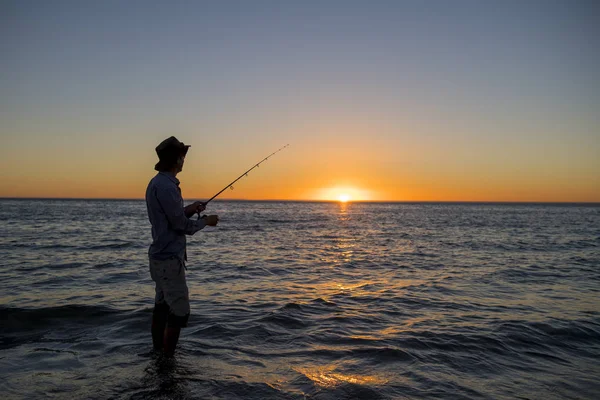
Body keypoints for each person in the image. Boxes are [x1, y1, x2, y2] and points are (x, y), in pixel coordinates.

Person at [145, 136, 219, 356]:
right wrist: (206, 221)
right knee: (179, 312)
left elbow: (171, 218)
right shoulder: (167, 187)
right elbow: (181, 226)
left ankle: (157, 353)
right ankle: (167, 362)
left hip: (160, 256)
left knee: (162, 306)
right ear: (177, 158)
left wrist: (190, 208)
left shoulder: (156, 183)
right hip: (169, 259)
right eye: (182, 155)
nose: (184, 159)